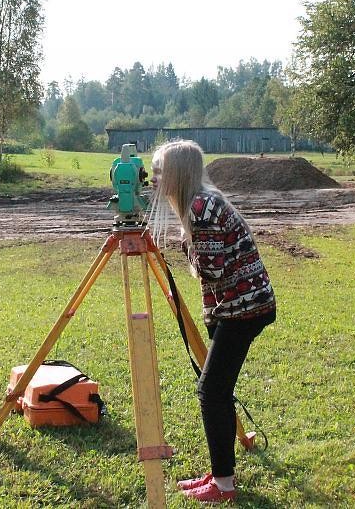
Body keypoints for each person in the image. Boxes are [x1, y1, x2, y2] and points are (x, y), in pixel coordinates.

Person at [150, 139, 276, 503]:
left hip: (244, 308)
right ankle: (220, 474)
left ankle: (223, 483)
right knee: (216, 389)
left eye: (160, 171)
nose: (152, 178)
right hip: (236, 306)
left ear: (178, 174)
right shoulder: (201, 201)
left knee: (211, 391)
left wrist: (185, 252)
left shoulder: (201, 207)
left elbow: (211, 269)